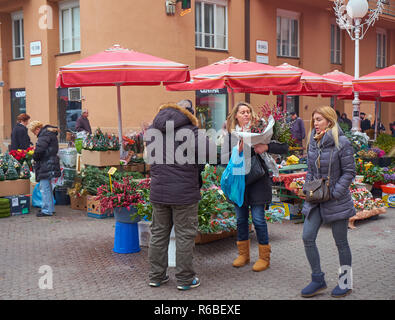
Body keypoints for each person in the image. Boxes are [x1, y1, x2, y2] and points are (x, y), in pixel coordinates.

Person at [145, 99, 216, 290]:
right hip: (184, 192)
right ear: (189, 114)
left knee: (158, 234)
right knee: (185, 235)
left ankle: (156, 276)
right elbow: (211, 153)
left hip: (159, 191)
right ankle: (185, 279)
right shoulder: (191, 131)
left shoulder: (153, 129)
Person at [225, 102, 288, 272]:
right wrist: (239, 147)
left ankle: (263, 257)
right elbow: (223, 158)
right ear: (236, 116)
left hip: (258, 180)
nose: (246, 115)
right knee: (241, 219)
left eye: (248, 112)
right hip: (240, 182)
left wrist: (265, 146)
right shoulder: (231, 135)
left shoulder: (260, 129)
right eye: (242, 112)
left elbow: (284, 147)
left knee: (259, 220)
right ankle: (243, 255)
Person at [301, 106, 355, 298]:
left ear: (329, 121)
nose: (315, 123)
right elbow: (310, 170)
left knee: (341, 242)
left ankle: (345, 282)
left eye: (319, 119)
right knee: (307, 237)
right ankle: (318, 279)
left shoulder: (342, 142)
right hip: (316, 199)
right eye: (314, 119)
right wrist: (307, 187)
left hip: (336, 200)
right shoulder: (313, 143)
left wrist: (335, 192)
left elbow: (349, 172)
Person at [28, 121, 61, 217]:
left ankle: (47, 210)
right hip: (50, 163)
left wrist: (34, 156)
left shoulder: (44, 135)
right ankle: (49, 208)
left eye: (34, 132)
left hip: (46, 164)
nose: (35, 134)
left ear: (37, 129)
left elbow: (40, 150)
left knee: (45, 187)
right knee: (47, 187)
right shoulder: (49, 134)